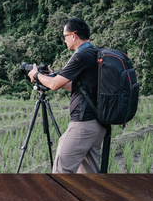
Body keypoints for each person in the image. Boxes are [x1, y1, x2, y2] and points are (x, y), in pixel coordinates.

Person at [27, 17, 106, 173]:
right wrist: (52, 76)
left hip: (83, 123)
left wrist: (36, 75)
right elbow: (78, 87)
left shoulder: (81, 55)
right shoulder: (95, 53)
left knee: (62, 171)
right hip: (98, 123)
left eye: (64, 36)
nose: (64, 40)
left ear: (73, 35)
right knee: (89, 176)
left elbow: (55, 85)